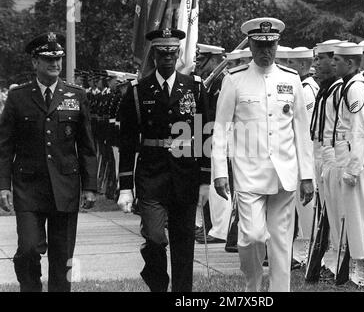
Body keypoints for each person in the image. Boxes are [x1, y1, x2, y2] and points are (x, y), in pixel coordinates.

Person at [212, 17, 314, 292]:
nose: (265, 51)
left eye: (270, 45)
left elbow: (302, 133)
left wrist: (307, 175)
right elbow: (220, 130)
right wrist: (219, 172)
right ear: (251, 46)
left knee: (281, 242)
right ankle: (253, 285)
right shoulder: (235, 80)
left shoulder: (290, 79)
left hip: (284, 174)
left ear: (277, 44)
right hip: (249, 174)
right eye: (259, 45)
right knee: (253, 237)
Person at [0, 32, 97, 292]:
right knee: (28, 249)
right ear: (35, 62)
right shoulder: (18, 97)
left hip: (64, 187)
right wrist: (3, 185)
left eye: (58, 59)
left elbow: (87, 146)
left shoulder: (75, 95)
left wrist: (90, 186)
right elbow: (5, 146)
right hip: (28, 188)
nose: (55, 64)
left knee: (62, 255)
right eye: (47, 59)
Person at [117, 28, 210, 292]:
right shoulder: (137, 91)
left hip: (185, 174)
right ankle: (158, 284)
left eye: (172, 52)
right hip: (151, 174)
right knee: (155, 238)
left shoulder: (194, 86)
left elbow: (205, 134)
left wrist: (205, 179)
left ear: (178, 53)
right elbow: (127, 140)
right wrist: (125, 186)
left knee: (183, 243)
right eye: (161, 53)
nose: (167, 57)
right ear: (153, 55)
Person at [331, 42, 364, 286]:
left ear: (350, 63)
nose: (333, 63)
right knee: (353, 215)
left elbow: (358, 130)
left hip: (354, 160)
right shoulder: (349, 85)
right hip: (346, 156)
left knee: (359, 216)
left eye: (337, 60)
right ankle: (359, 265)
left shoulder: (356, 88)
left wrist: (353, 167)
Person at [309, 39, 345, 283]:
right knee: (326, 210)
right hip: (319, 150)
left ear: (334, 60)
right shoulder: (325, 88)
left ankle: (337, 263)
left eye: (321, 58)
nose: (317, 63)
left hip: (333, 152)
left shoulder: (341, 88)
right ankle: (328, 260)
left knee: (337, 212)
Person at [288, 46, 319, 269]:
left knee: (306, 209)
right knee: (300, 208)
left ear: (301, 65)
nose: (288, 68)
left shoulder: (307, 90)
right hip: (298, 155)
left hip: (305, 155)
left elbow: (305, 128)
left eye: (291, 64)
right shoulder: (302, 86)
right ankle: (300, 253)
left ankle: (308, 253)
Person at [194, 43, 228, 244]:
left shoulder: (221, 81)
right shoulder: (210, 82)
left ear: (214, 60)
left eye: (202, 60)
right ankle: (213, 226)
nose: (199, 63)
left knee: (219, 185)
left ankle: (220, 230)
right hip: (209, 135)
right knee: (210, 183)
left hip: (218, 136)